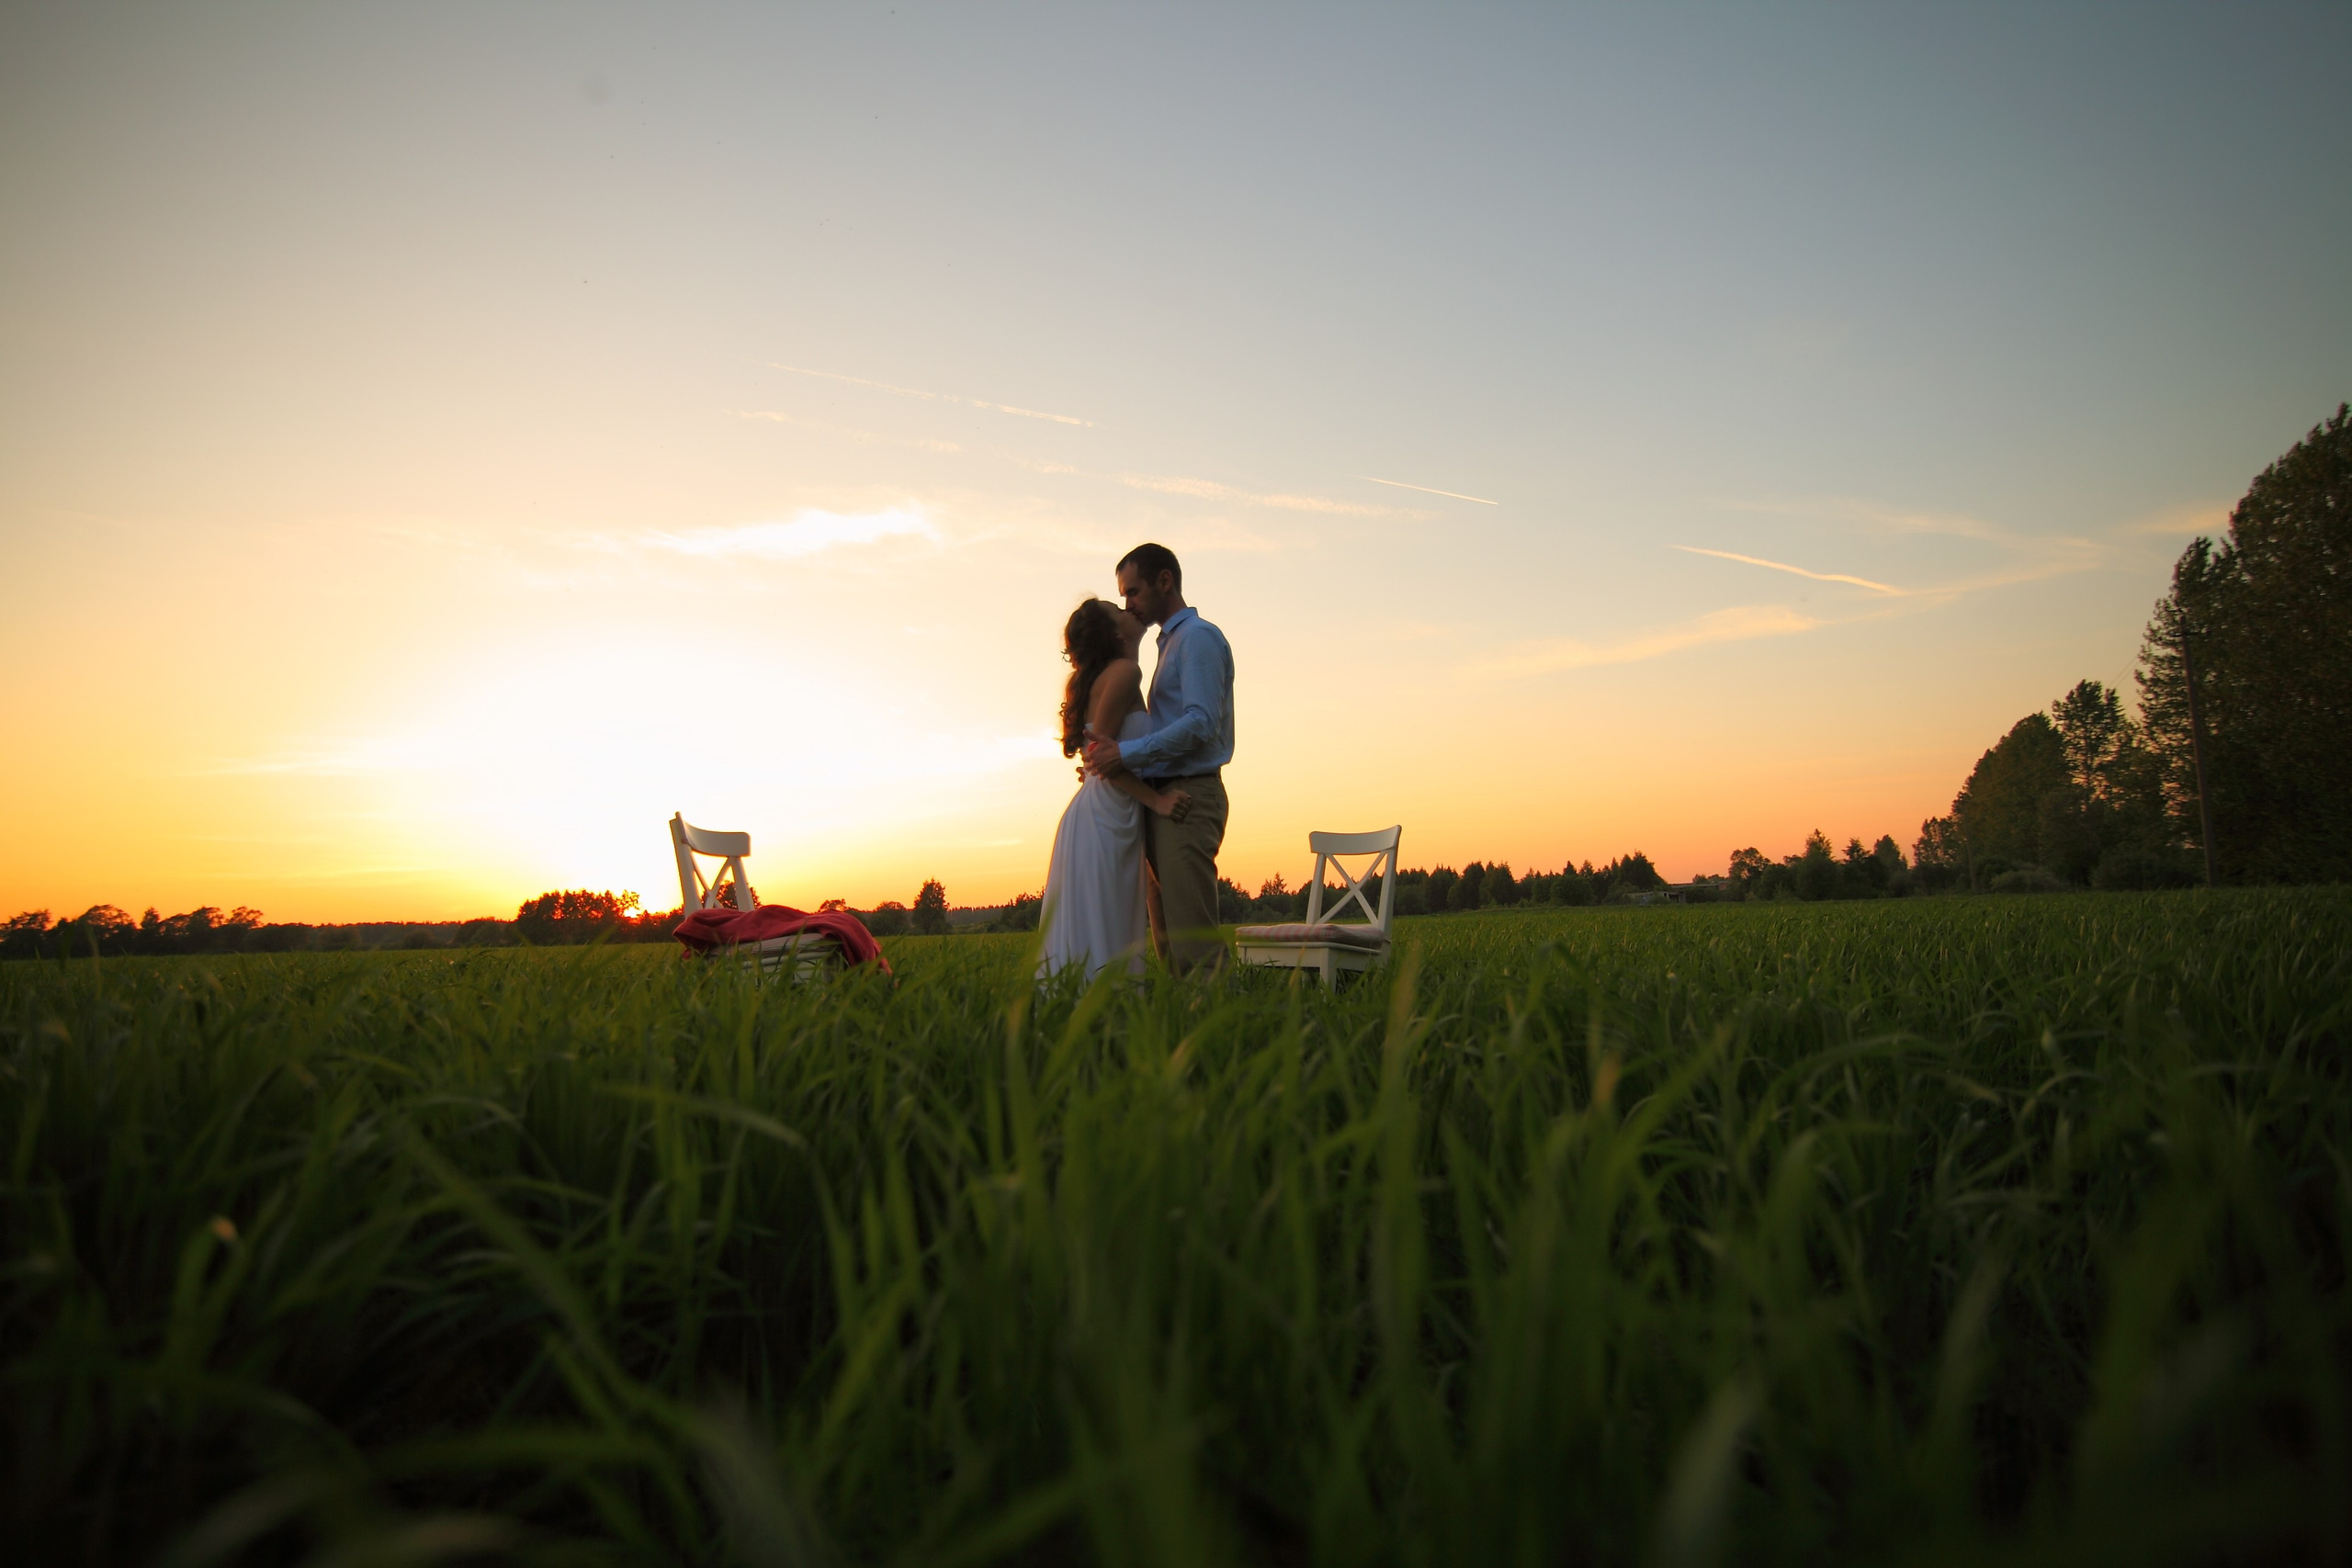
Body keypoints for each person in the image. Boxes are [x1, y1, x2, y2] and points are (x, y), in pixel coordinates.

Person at [1082, 543, 1234, 976]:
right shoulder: (1169, 644)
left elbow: (1201, 723)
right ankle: (1181, 1015)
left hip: (1187, 795)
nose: (1128, 604)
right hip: (1161, 797)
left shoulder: (1197, 637)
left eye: (1133, 592)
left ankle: (1221, 1014)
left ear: (1164, 581)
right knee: (1167, 939)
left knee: (1192, 938)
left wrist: (1123, 754)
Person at [1038, 598, 1193, 979]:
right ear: (1114, 633)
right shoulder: (1125, 672)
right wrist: (1157, 801)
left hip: (1107, 814)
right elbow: (1101, 756)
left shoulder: (1108, 676)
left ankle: (1095, 1010)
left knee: (1106, 929)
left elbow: (1100, 755)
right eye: (1118, 611)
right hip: (1104, 818)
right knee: (1107, 929)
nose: (1130, 611)